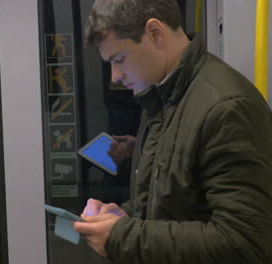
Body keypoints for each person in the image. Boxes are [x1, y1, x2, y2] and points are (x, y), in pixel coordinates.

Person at [73, 0, 272, 263]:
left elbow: (244, 243)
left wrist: (124, 236)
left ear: (154, 33)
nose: (115, 76)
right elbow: (168, 202)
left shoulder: (226, 108)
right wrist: (123, 217)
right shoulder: (160, 100)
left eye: (119, 59)